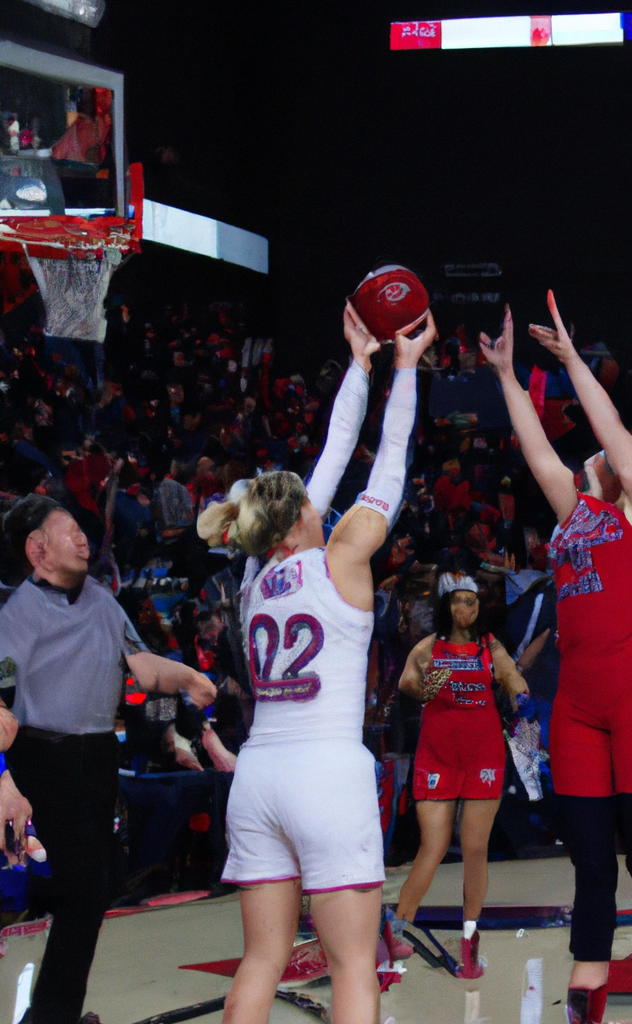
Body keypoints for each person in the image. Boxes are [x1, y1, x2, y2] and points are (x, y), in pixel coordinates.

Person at [197, 304, 436, 1024]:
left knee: (261, 960)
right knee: (353, 967)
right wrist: (403, 370)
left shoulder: (249, 580)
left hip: (259, 773)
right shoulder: (341, 557)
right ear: (302, 514)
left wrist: (359, 370)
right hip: (327, 772)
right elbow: (386, 467)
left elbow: (328, 463)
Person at [479, 296, 632, 1024]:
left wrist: (573, 361)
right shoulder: (572, 513)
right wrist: (508, 375)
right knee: (590, 870)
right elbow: (536, 448)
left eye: (607, 454)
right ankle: (587, 1010)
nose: (598, 454)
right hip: (577, 706)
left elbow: (610, 428)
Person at [0, 494, 217, 1024]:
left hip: (95, 760)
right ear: (37, 549)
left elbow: (141, 666)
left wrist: (185, 677)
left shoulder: (99, 598)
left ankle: (54, 1014)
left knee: (90, 893)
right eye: (68, 530)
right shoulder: (16, 614)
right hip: (38, 761)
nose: (83, 539)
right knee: (31, 889)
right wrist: (5, 780)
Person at [389, 570, 529, 977]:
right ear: (446, 606)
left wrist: (523, 700)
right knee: (431, 849)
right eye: (458, 601)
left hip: (483, 756)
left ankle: (470, 935)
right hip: (438, 757)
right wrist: (426, 688)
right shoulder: (430, 646)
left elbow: (514, 679)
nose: (465, 608)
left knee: (475, 850)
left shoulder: (490, 645)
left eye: (471, 601)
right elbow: (407, 683)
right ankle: (397, 931)